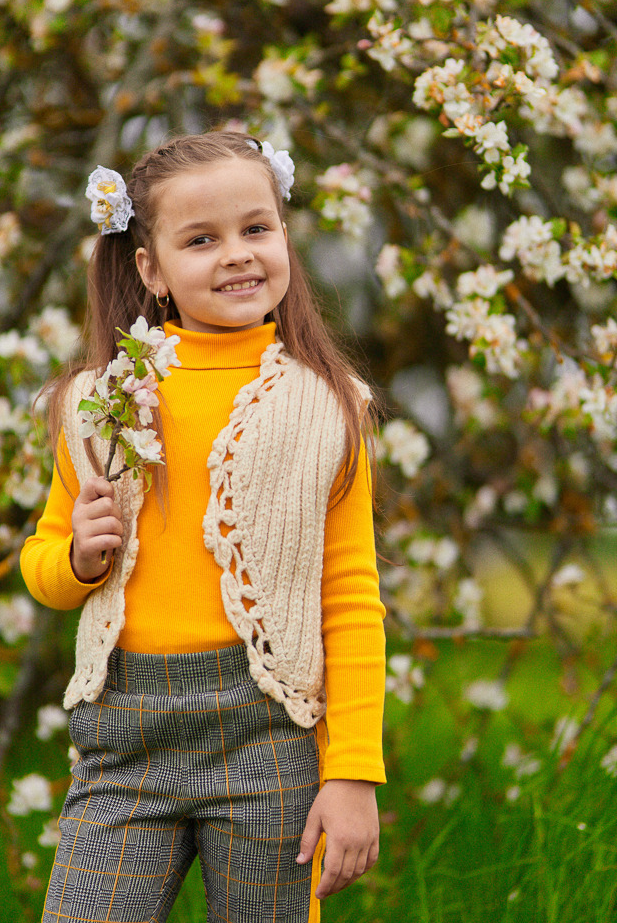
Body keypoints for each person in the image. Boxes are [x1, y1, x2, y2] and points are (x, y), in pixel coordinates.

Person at [20, 131, 387, 923]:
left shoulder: (328, 405)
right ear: (149, 268)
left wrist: (352, 772)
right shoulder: (100, 400)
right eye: (201, 239)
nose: (237, 256)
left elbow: (351, 595)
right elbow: (44, 564)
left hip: (268, 731)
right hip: (125, 736)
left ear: (285, 236)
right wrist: (79, 558)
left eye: (257, 229)